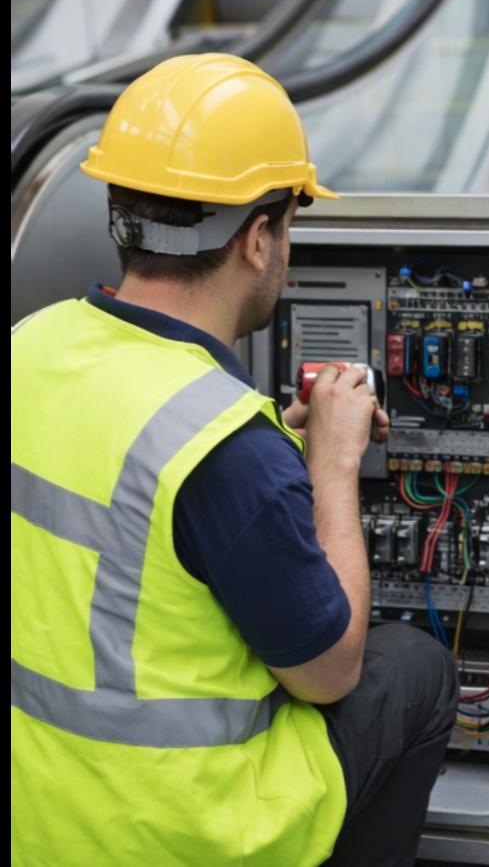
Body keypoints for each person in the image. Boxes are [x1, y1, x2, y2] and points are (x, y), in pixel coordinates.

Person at [12, 54, 458, 867]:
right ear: (259, 238)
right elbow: (329, 672)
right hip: (187, 836)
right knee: (415, 667)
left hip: (41, 825)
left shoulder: (27, 347)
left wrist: (274, 457)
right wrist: (327, 465)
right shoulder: (225, 448)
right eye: (290, 222)